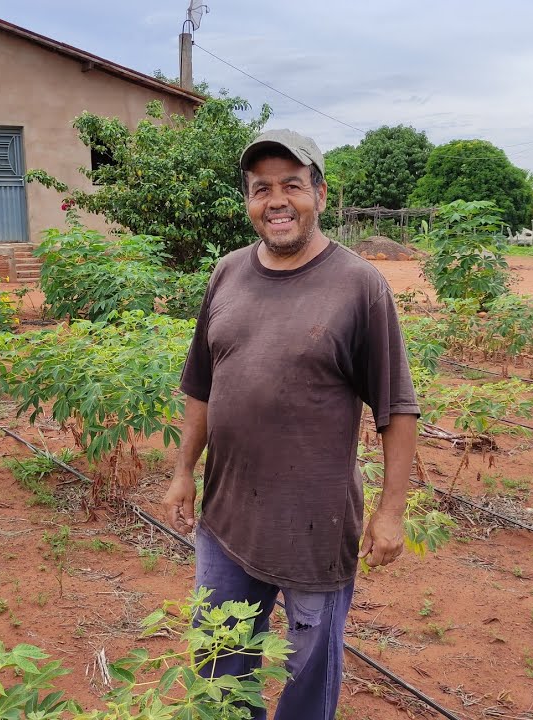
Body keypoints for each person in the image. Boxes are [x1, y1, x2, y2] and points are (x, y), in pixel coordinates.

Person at [162, 129, 420, 720]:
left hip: (313, 527)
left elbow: (396, 407)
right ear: (249, 202)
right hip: (226, 521)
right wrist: (182, 473)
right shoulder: (226, 274)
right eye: (261, 189)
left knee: (308, 673)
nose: (276, 200)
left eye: (292, 186)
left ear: (320, 195)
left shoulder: (360, 286)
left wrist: (391, 510)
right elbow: (201, 385)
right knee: (220, 663)